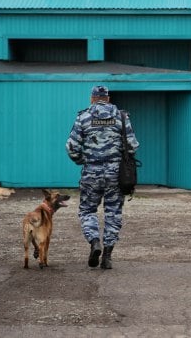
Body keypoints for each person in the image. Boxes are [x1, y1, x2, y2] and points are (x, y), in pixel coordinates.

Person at [66, 85, 139, 269]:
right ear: (108, 98)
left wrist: (82, 160)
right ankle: (107, 255)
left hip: (91, 171)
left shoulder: (83, 117)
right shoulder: (122, 117)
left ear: (92, 98)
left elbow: (72, 147)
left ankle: (94, 242)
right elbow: (132, 146)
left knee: (87, 210)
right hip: (116, 174)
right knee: (113, 212)